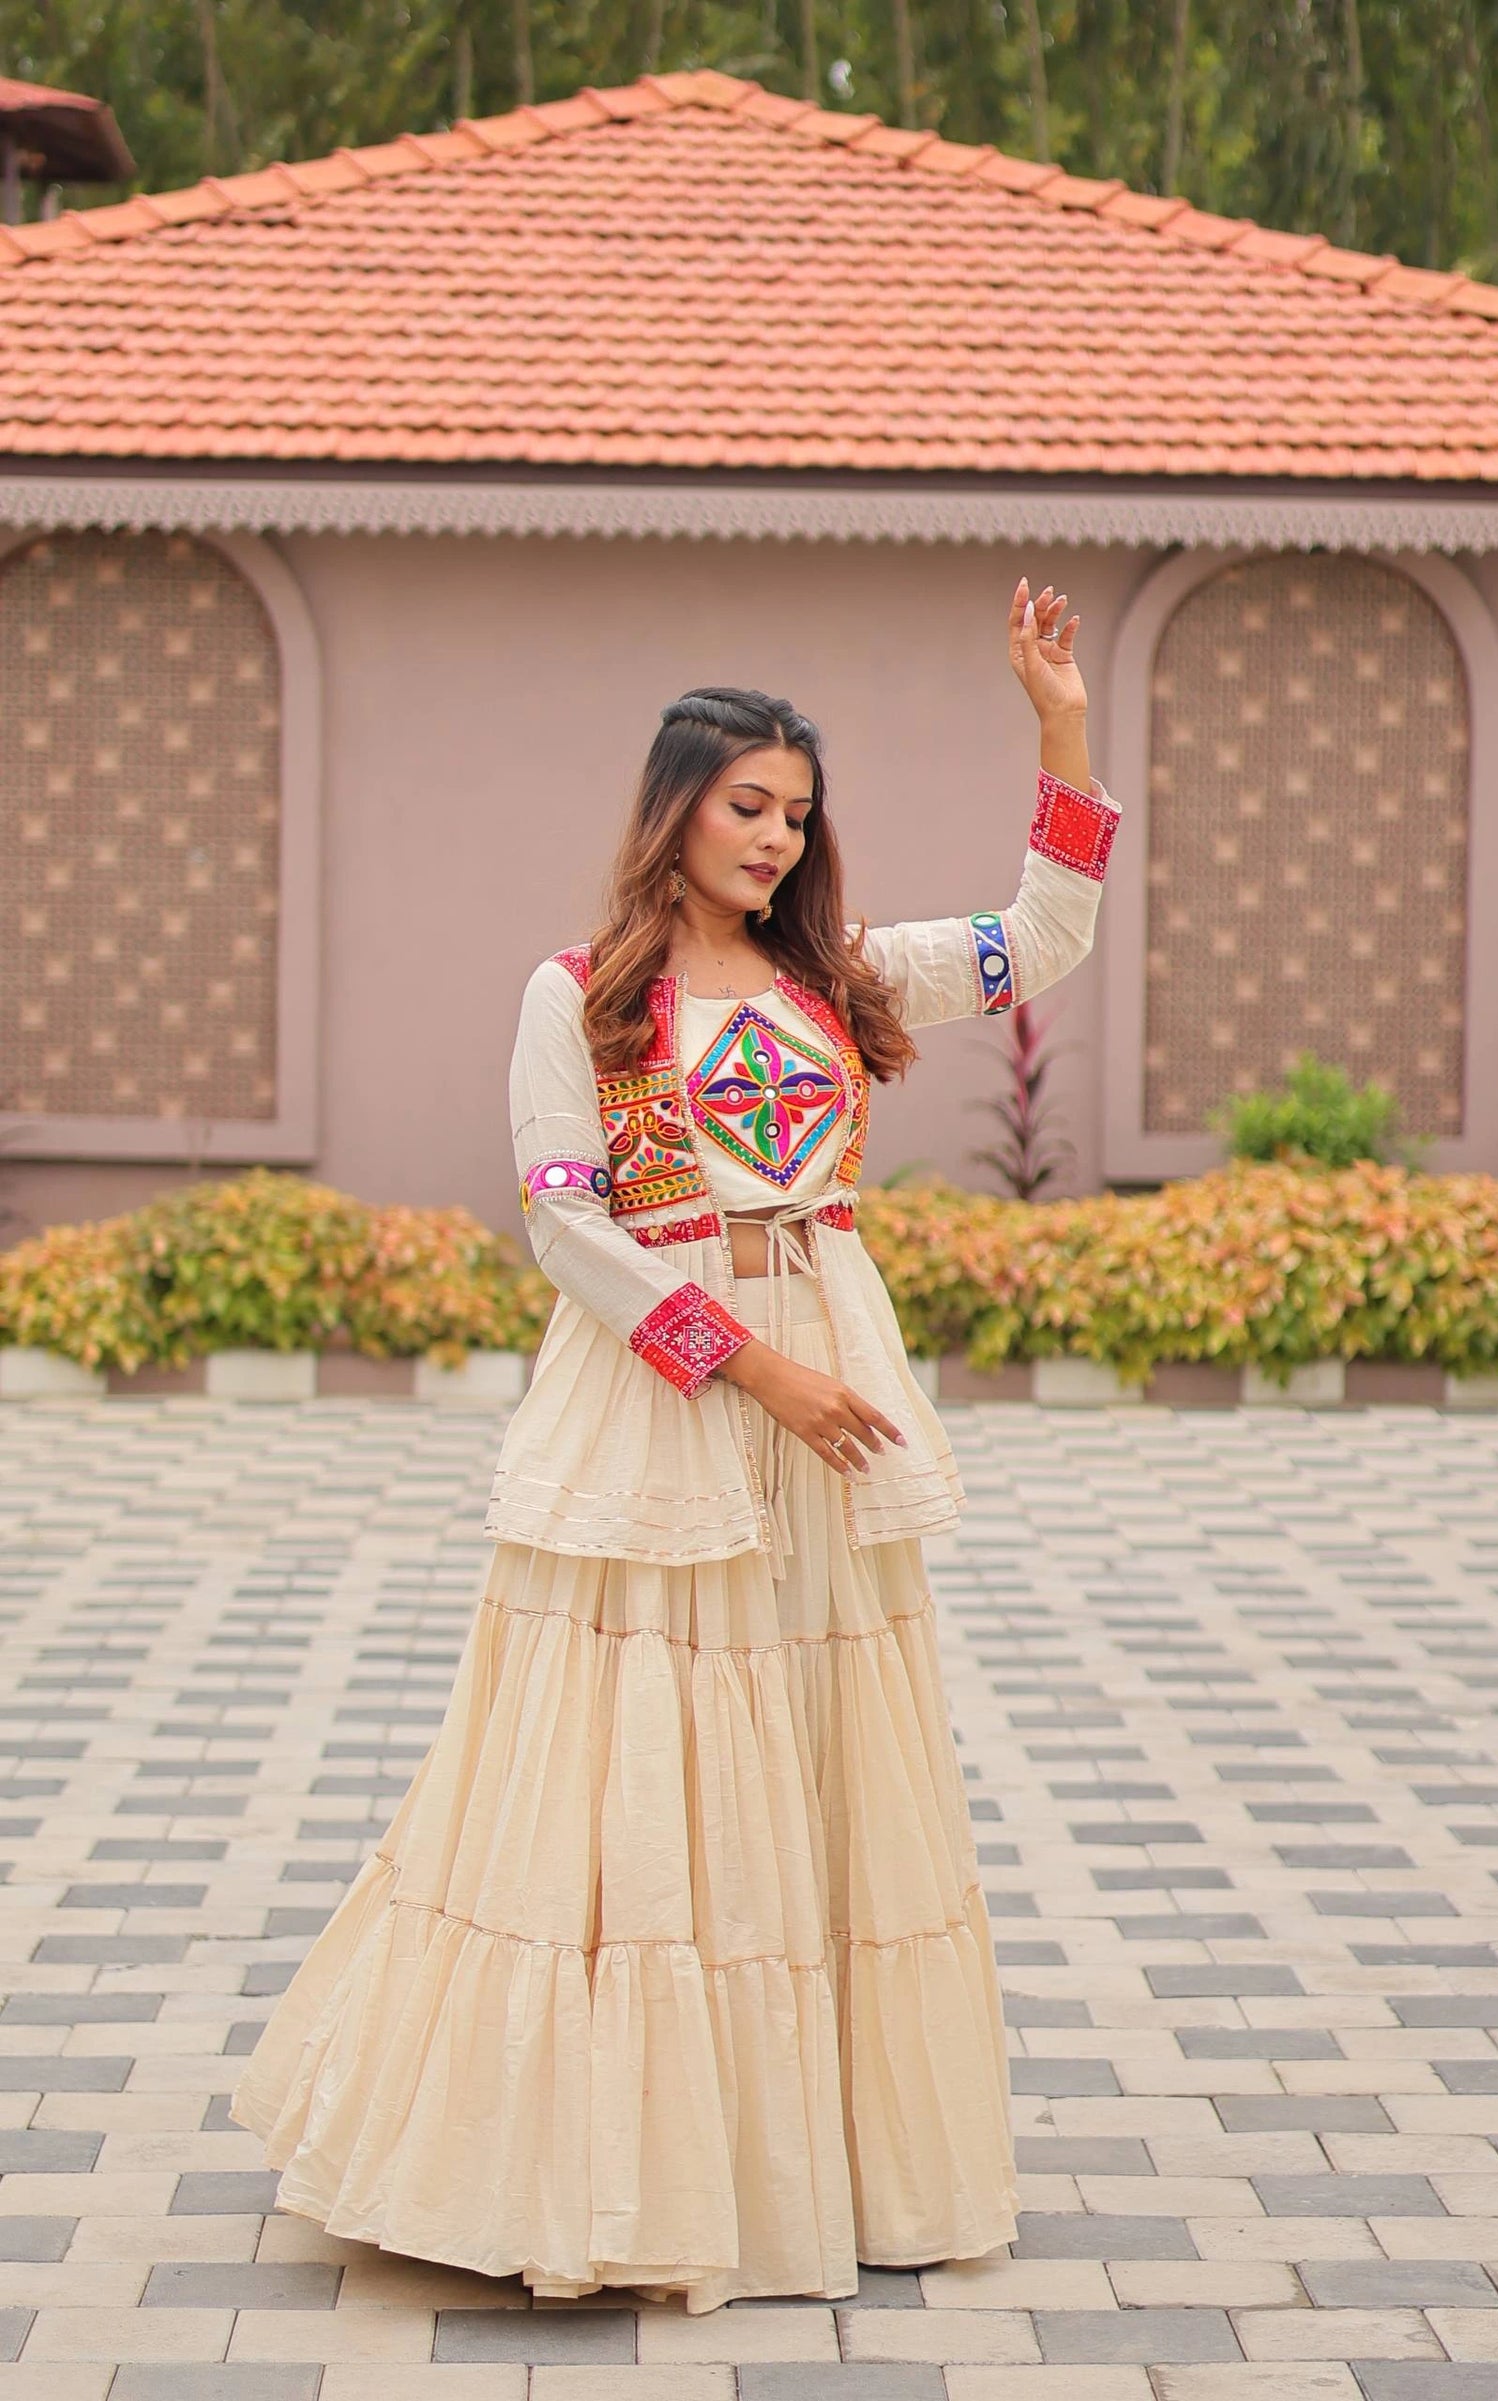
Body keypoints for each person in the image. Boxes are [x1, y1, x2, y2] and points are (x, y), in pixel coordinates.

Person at [232, 576, 1119, 2313]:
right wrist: (749, 1370)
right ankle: (605, 2161)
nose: (778, 839)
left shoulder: (842, 979)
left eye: (798, 813)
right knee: (647, 1764)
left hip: (823, 1390)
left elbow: (1048, 938)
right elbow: (567, 1226)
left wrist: (1061, 721)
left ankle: (813, 2155)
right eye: (747, 806)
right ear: (676, 808)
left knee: (807, 1749)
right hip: (668, 1395)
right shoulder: (579, 995)